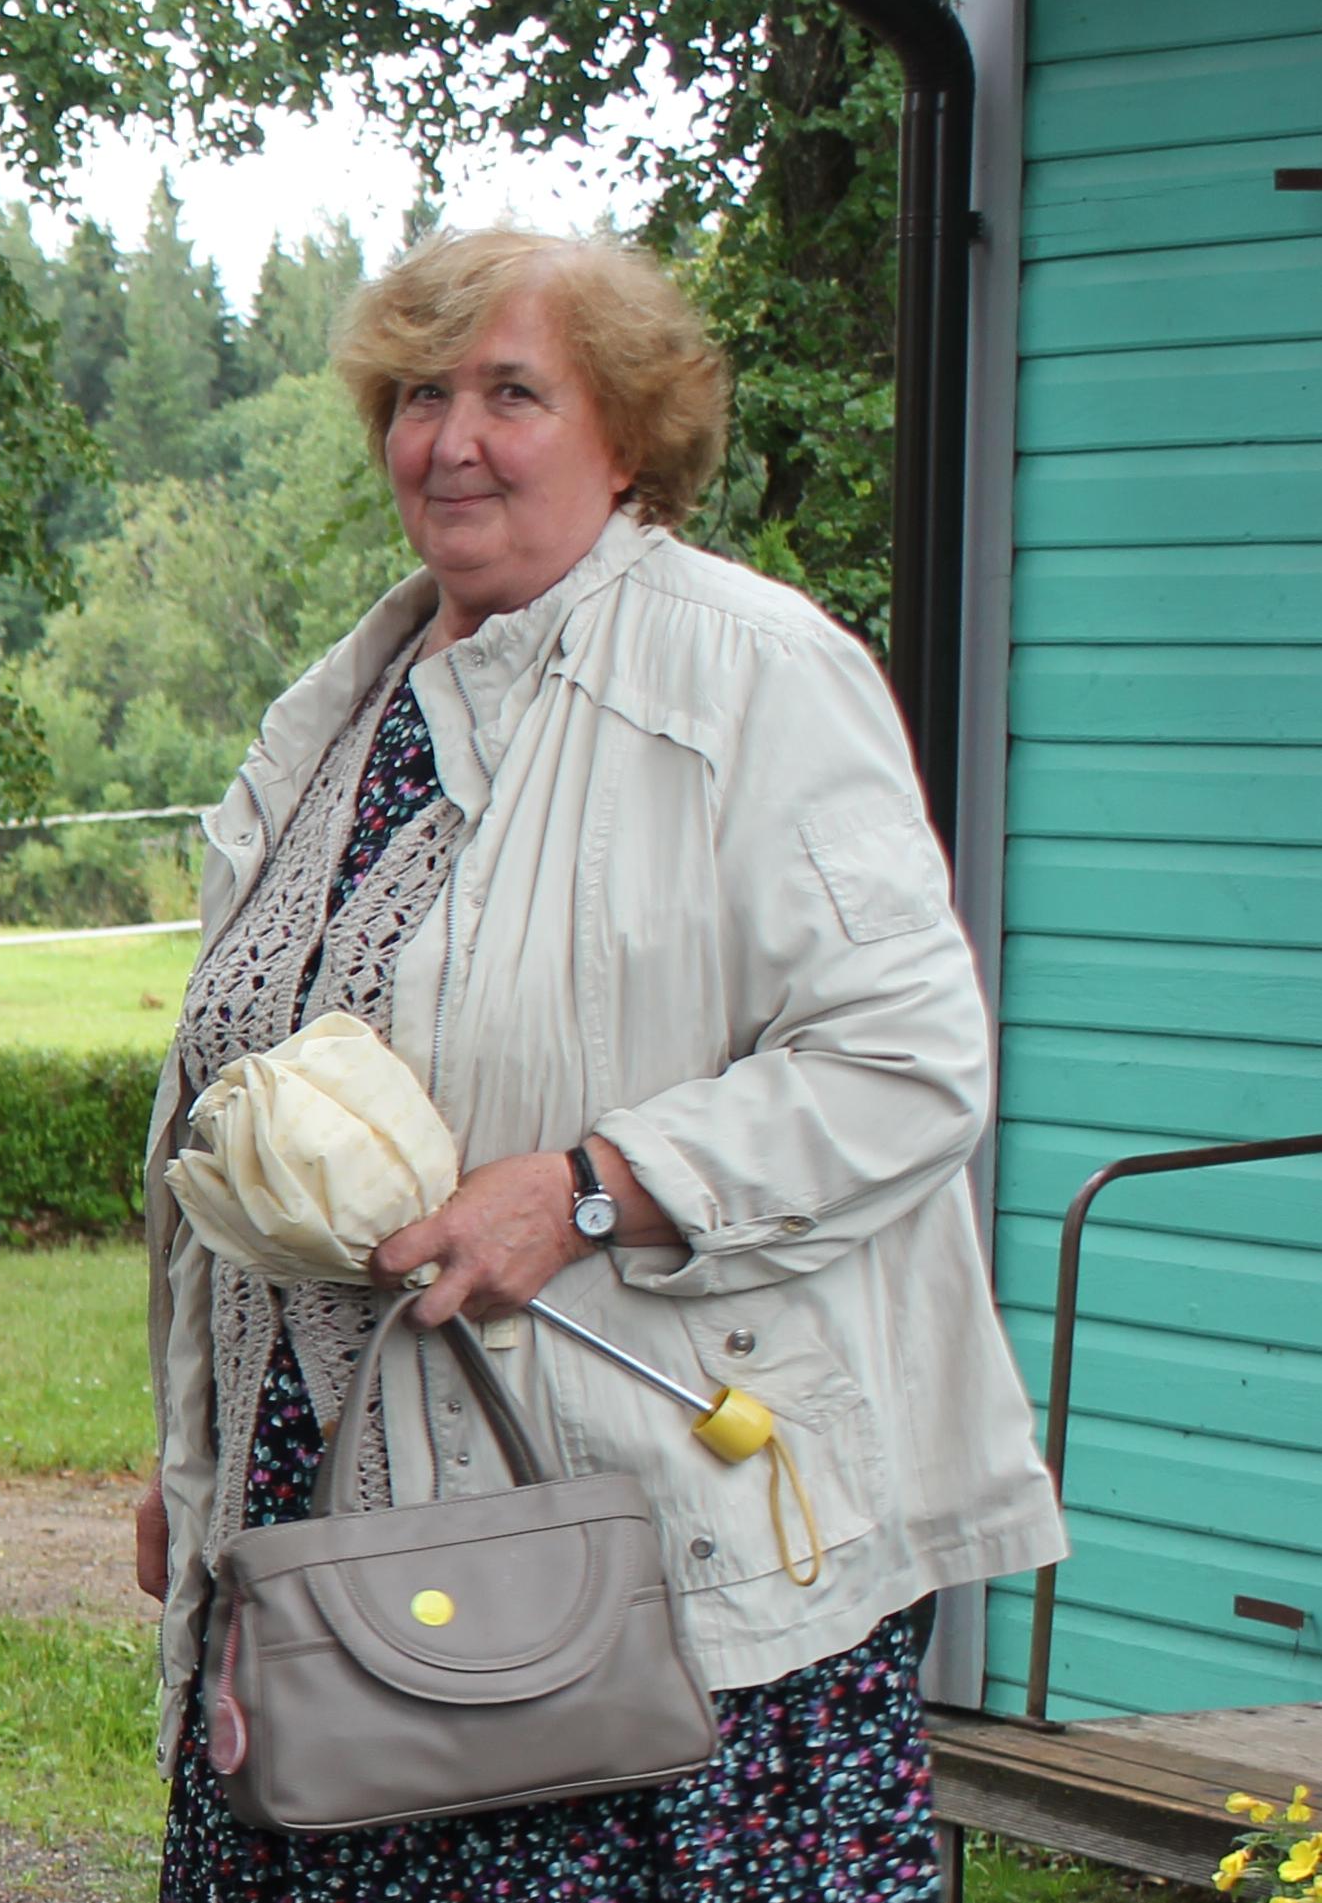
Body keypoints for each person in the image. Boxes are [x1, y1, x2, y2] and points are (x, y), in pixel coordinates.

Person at [127, 230, 1065, 1898]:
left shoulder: (753, 671)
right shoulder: (340, 709)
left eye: (511, 393)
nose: (452, 440)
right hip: (334, 1518)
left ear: (626, 436)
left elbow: (906, 1060)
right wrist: (208, 1470)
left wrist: (587, 1189)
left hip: (650, 1560)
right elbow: (257, 1119)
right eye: (419, 395)